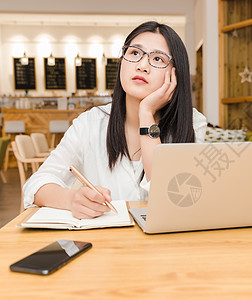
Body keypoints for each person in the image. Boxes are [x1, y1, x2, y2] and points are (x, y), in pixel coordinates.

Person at [23, 21, 207, 219]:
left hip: (168, 244)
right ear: (122, 61)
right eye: (135, 53)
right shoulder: (91, 122)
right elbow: (36, 184)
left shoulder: (193, 124)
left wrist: (146, 115)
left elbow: (172, 199)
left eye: (158, 58)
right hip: (104, 245)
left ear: (175, 75)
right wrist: (72, 199)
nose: (142, 65)